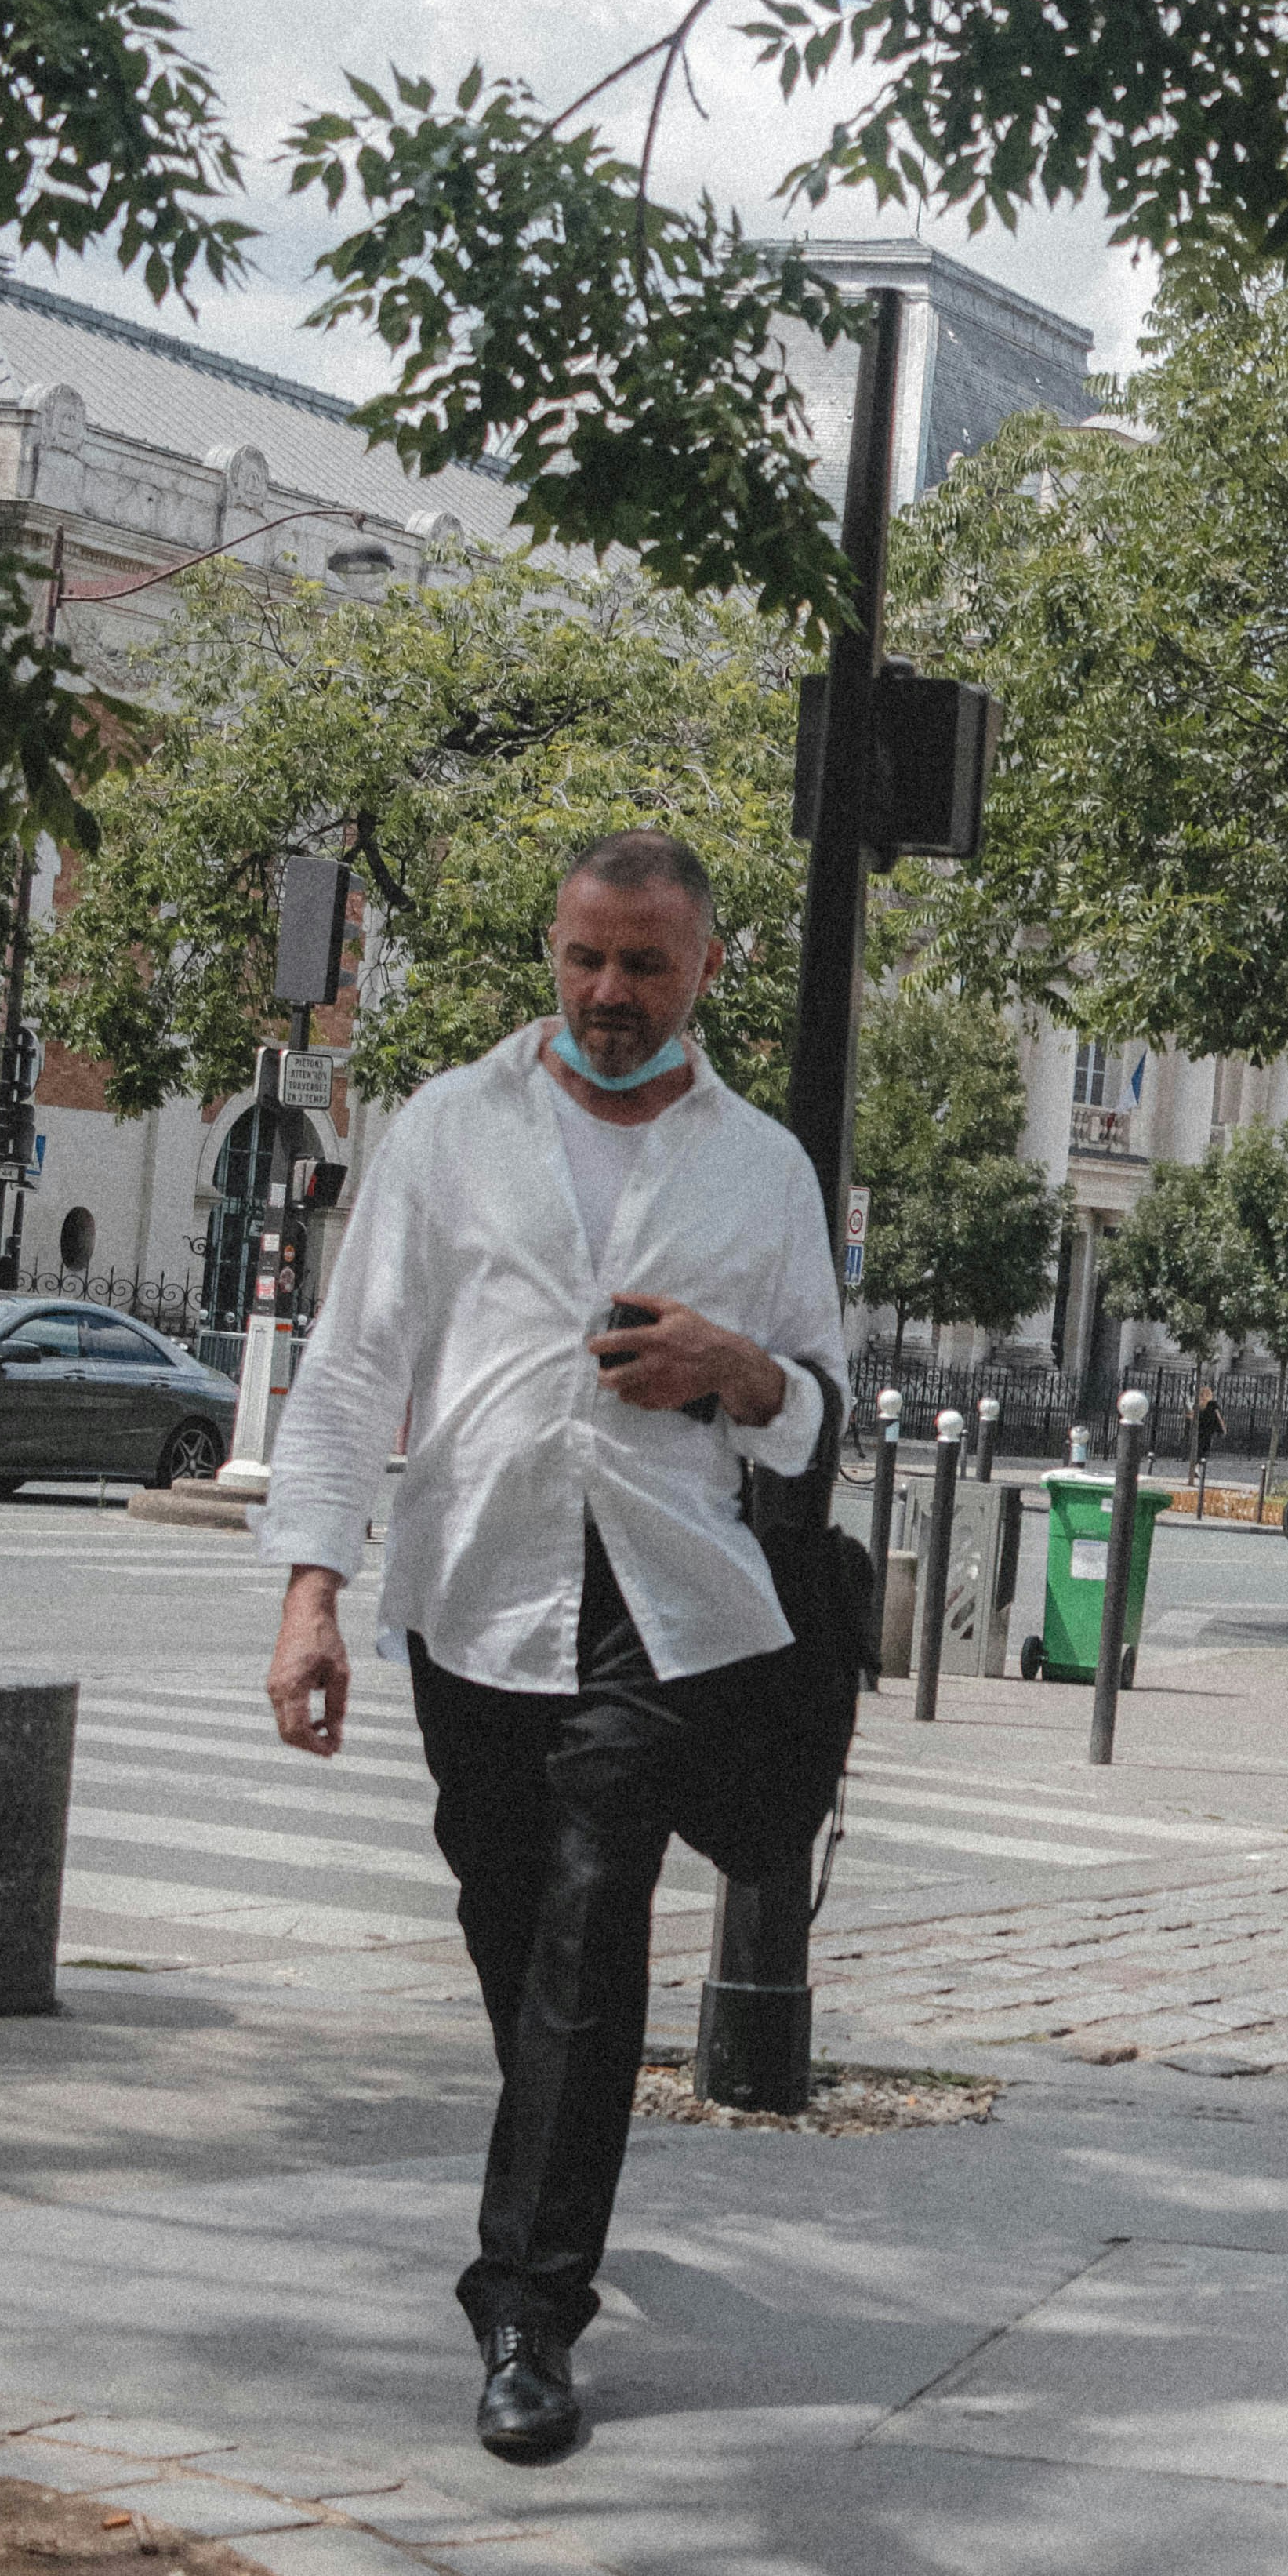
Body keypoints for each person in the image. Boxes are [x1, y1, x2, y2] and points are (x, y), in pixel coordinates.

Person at [258, 830, 847, 2461]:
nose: (608, 993)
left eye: (645, 964)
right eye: (586, 958)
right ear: (554, 949)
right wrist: (312, 1590)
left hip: (658, 1603)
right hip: (476, 1587)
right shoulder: (451, 1128)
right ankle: (555, 2165)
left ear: (706, 968)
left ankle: (527, 2311)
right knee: (518, 1928)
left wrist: (741, 1369)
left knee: (592, 1940)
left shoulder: (763, 1167)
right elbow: (354, 1370)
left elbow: (815, 1413)